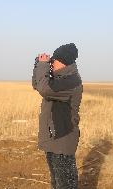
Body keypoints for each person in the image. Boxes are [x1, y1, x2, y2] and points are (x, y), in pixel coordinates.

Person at [32, 43, 83, 189]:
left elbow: (44, 89)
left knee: (66, 184)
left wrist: (43, 66)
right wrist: (38, 64)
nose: (51, 62)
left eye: (54, 59)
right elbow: (36, 84)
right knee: (56, 182)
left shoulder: (71, 81)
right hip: (53, 138)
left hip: (63, 139)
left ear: (64, 62)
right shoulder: (59, 78)